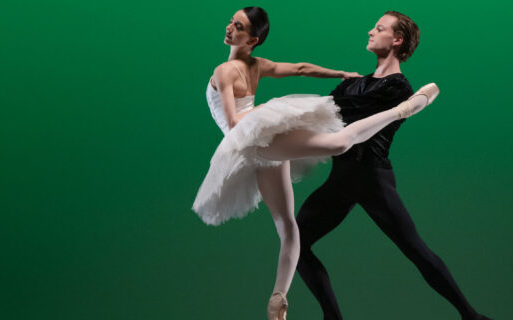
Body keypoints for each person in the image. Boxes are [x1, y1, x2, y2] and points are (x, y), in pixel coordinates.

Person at [191, 7, 439, 320]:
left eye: (237, 26)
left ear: (252, 39)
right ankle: (402, 110)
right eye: (231, 21)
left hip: (260, 144)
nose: (229, 28)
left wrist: (338, 75)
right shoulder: (232, 70)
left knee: (289, 227)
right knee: (338, 143)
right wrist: (268, 112)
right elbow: (234, 120)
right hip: (251, 138)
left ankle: (278, 299)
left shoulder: (249, 66)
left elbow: (300, 68)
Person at [295, 11, 492, 320]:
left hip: (372, 178)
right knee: (295, 244)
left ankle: (471, 316)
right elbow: (326, 115)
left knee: (416, 250)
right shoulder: (351, 85)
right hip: (342, 177)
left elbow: (351, 116)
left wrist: (329, 107)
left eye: (379, 28)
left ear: (397, 40)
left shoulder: (398, 89)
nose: (370, 32)